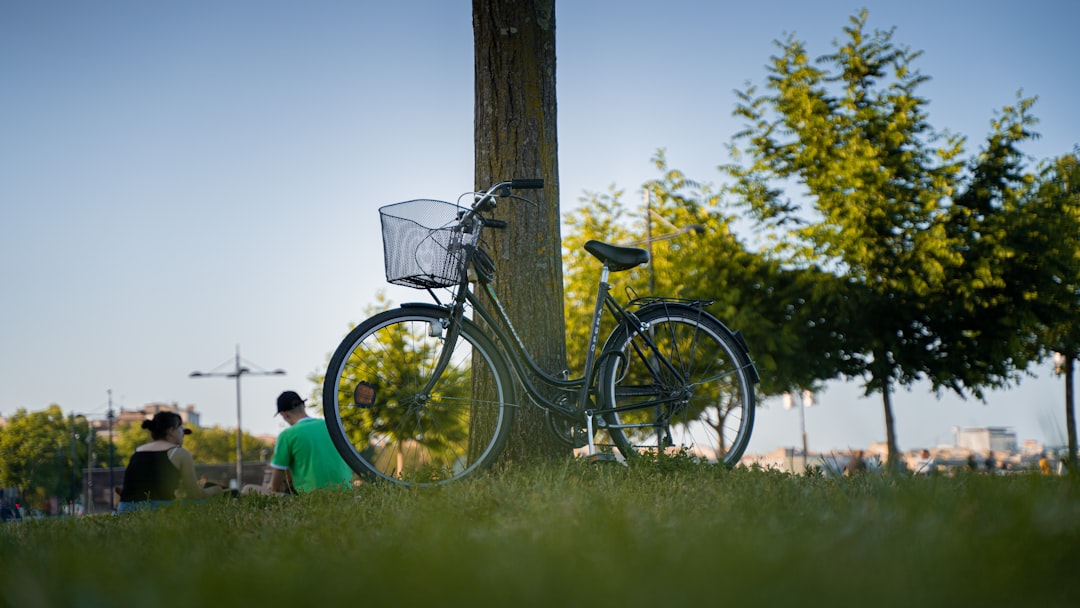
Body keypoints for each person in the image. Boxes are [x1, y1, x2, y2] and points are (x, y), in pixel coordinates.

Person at [243, 391, 353, 495]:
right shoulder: (330, 425)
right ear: (303, 406)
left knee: (248, 490)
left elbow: (275, 485)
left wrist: (271, 488)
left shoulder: (287, 435)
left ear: (284, 415)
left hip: (311, 497)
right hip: (346, 491)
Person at [116, 412, 225, 513]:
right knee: (216, 498)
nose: (183, 432)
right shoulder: (180, 453)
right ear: (171, 431)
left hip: (125, 508)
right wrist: (216, 490)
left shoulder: (138, 450)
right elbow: (195, 495)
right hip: (158, 508)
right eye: (181, 427)